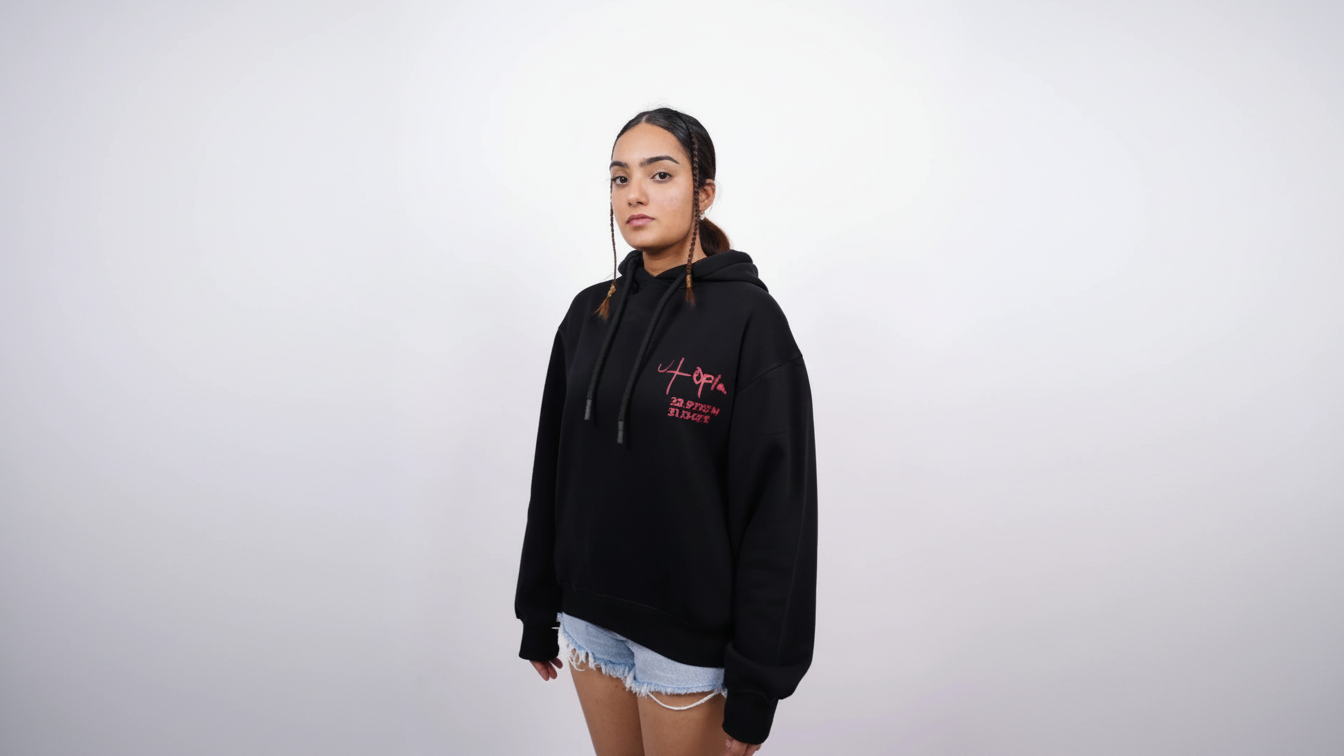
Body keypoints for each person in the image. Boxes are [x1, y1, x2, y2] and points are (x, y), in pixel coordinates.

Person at [514, 107, 818, 756]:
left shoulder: (751, 322)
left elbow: (778, 513)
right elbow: (555, 467)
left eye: (659, 175)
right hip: (589, 622)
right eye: (620, 178)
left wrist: (759, 682)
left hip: (689, 644)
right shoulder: (588, 313)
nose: (635, 194)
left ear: (703, 193)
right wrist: (538, 606)